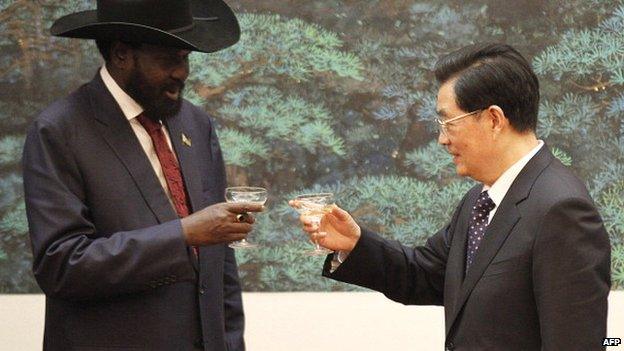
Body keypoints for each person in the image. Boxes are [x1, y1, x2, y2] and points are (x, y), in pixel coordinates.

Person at [295, 43, 611, 350]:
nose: (441, 139)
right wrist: (355, 243)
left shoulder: (561, 209)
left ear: (494, 119)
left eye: (448, 122)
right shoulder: (479, 201)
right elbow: (424, 273)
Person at [22, 1, 261, 350]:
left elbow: (219, 266)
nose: (182, 72)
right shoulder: (59, 131)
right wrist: (183, 234)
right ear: (121, 54)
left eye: (185, 58)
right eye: (169, 59)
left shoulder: (195, 123)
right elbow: (62, 265)